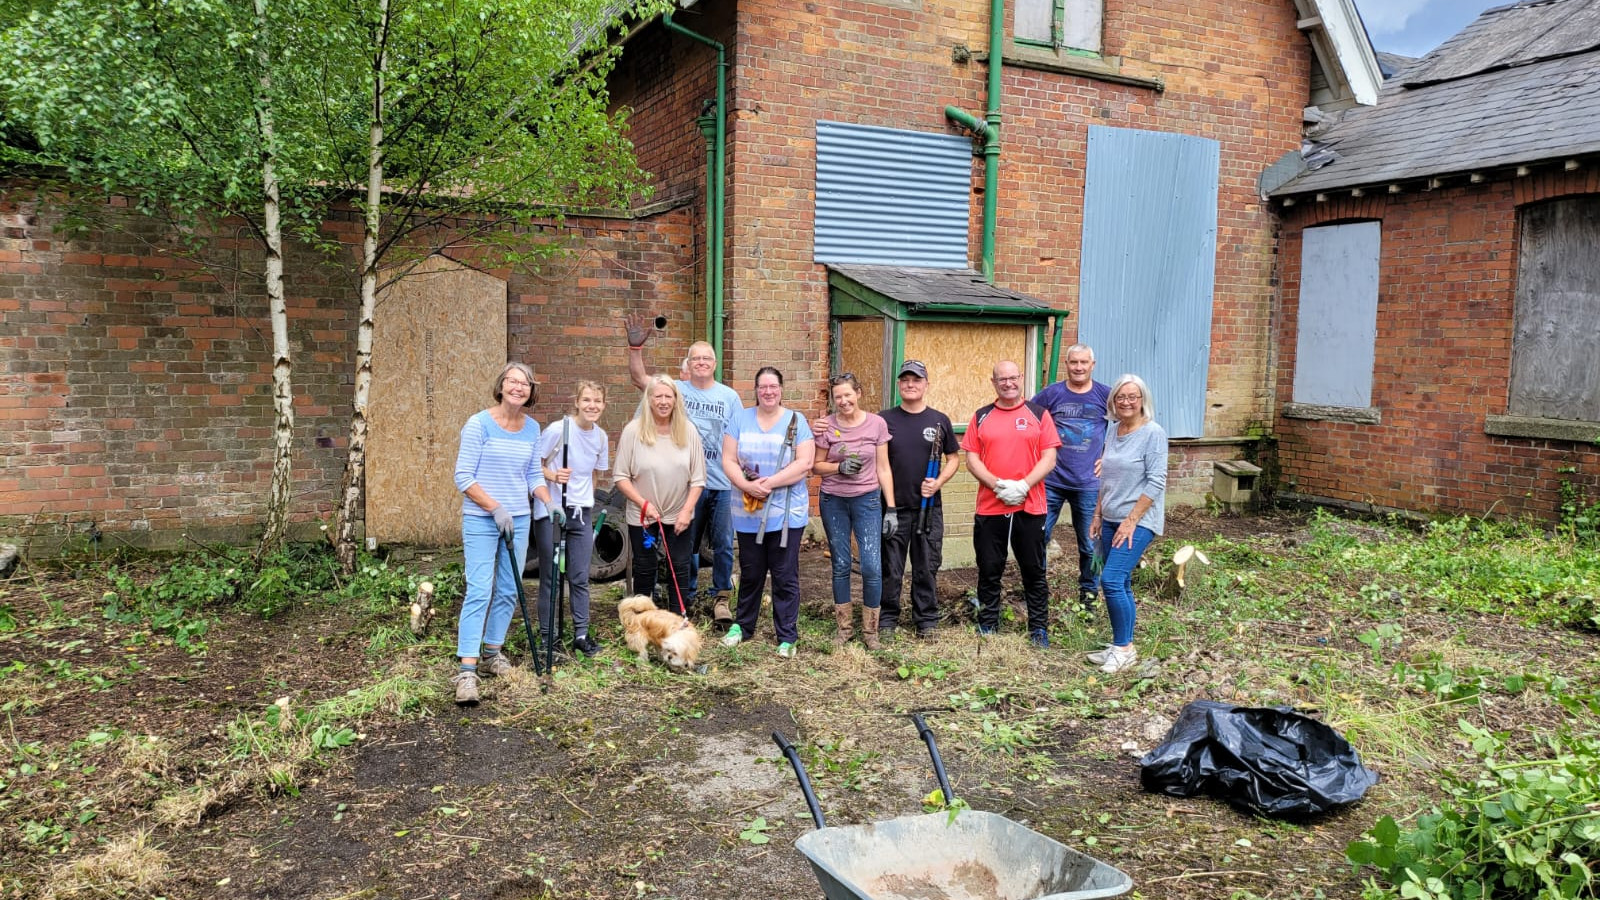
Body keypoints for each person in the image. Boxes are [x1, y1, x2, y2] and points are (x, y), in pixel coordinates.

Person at [451, 362, 556, 706]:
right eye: (512, 381)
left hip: (520, 518)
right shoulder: (478, 424)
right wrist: (494, 507)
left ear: (530, 391)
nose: (518, 387)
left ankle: (492, 653)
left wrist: (548, 502)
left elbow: (533, 475)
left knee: (510, 589)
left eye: (525, 383)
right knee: (480, 588)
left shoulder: (532, 428)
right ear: (501, 386)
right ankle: (467, 670)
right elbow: (464, 477)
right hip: (483, 518)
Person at [625, 315, 741, 626]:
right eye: (696, 358)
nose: (702, 363)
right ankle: (684, 597)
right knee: (684, 547)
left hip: (720, 480)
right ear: (688, 364)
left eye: (707, 358)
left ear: (714, 363)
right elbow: (640, 379)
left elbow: (740, 436)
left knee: (723, 544)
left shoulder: (729, 397)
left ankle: (721, 598)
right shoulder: (674, 389)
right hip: (687, 484)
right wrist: (635, 347)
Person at [961, 360, 1061, 647]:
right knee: (989, 568)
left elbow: (1049, 457)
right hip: (991, 506)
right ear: (993, 382)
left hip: (1030, 506)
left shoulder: (1039, 414)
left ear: (1021, 379)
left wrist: (1023, 485)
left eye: (1013, 378)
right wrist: (998, 486)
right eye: (1001, 379)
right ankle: (988, 623)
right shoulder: (981, 416)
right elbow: (972, 459)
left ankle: (1038, 628)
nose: (1008, 383)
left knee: (1033, 570)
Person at [720, 367, 815, 658]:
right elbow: (728, 458)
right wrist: (746, 485)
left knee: (785, 574)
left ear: (781, 389)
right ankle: (742, 626)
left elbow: (805, 463)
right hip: (748, 511)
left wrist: (769, 484)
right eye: (763, 387)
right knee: (751, 572)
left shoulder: (796, 421)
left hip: (786, 513)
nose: (768, 392)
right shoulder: (739, 418)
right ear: (756, 390)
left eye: (773, 386)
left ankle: (786, 636)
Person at [1089, 374, 1168, 674]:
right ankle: (1122, 645)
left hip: (1138, 521)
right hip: (1109, 518)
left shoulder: (1153, 434)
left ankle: (1123, 649)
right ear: (1113, 401)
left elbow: (1157, 481)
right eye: (1121, 397)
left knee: (1110, 579)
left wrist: (1131, 520)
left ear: (1142, 400)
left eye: (1132, 397)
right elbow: (1106, 477)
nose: (1126, 402)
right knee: (1120, 582)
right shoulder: (1113, 430)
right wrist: (1097, 514)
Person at [812, 373, 895, 650]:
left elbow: (883, 467)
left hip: (867, 500)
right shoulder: (827, 426)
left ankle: (871, 632)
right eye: (838, 397)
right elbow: (817, 465)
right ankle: (844, 629)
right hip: (834, 500)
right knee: (841, 565)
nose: (844, 400)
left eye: (848, 394)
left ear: (858, 393)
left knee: (872, 566)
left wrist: (891, 507)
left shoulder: (877, 424)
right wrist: (839, 468)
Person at [879, 360, 960, 640]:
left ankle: (926, 620)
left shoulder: (939, 420)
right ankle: (887, 619)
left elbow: (953, 459)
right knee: (891, 568)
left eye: (916, 380)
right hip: (894, 508)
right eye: (905, 380)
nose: (910, 384)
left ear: (926, 384)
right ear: (899, 384)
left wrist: (938, 482)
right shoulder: (884, 420)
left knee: (926, 566)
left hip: (929, 509)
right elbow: (879, 464)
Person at [612, 375, 705, 616]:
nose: (663, 401)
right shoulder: (633, 431)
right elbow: (621, 476)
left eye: (668, 396)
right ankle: (642, 621)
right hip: (643, 515)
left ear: (676, 399)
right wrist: (643, 504)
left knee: (680, 566)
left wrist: (686, 511)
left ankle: (677, 618)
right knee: (645, 567)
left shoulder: (688, 431)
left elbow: (698, 479)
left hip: (679, 513)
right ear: (649, 399)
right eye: (658, 396)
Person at [1031, 344, 1111, 607]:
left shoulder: (1106, 396)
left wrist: (1109, 456)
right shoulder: (1051, 394)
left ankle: (1089, 598)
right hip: (1051, 482)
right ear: (1067, 364)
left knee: (1091, 545)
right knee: (1038, 538)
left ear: (1092, 364)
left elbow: (1128, 425)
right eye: (1073, 362)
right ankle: (1037, 594)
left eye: (1083, 363)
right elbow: (1028, 423)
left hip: (1089, 484)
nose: (1078, 367)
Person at [535, 381, 610, 658]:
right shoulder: (558, 430)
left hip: (581, 512)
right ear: (576, 402)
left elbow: (593, 474)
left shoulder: (600, 437)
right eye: (587, 400)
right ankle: (548, 639)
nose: (592, 406)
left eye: (598, 401)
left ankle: (581, 635)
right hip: (552, 511)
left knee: (579, 576)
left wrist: (586, 498)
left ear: (604, 405)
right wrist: (553, 476)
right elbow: (534, 465)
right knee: (552, 577)